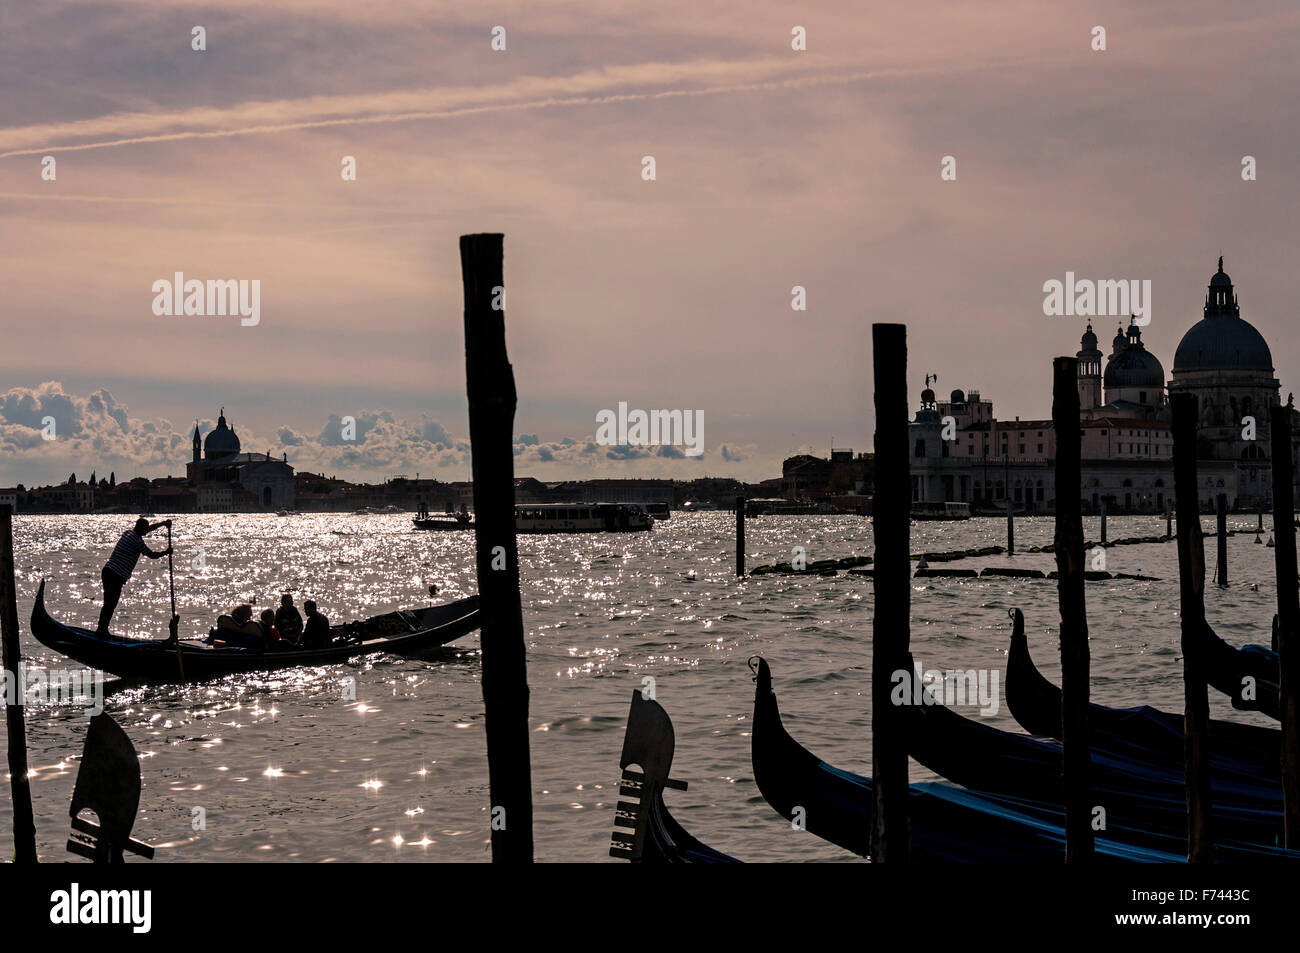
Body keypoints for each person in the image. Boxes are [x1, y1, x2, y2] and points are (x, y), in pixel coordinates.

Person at [97, 517, 172, 634]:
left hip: (108, 572)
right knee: (110, 604)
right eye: (145, 529)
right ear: (141, 528)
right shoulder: (137, 541)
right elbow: (151, 555)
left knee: (109, 604)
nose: (147, 531)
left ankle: (102, 629)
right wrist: (166, 552)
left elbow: (148, 529)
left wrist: (162, 524)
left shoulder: (128, 533)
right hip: (114, 575)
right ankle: (102, 630)